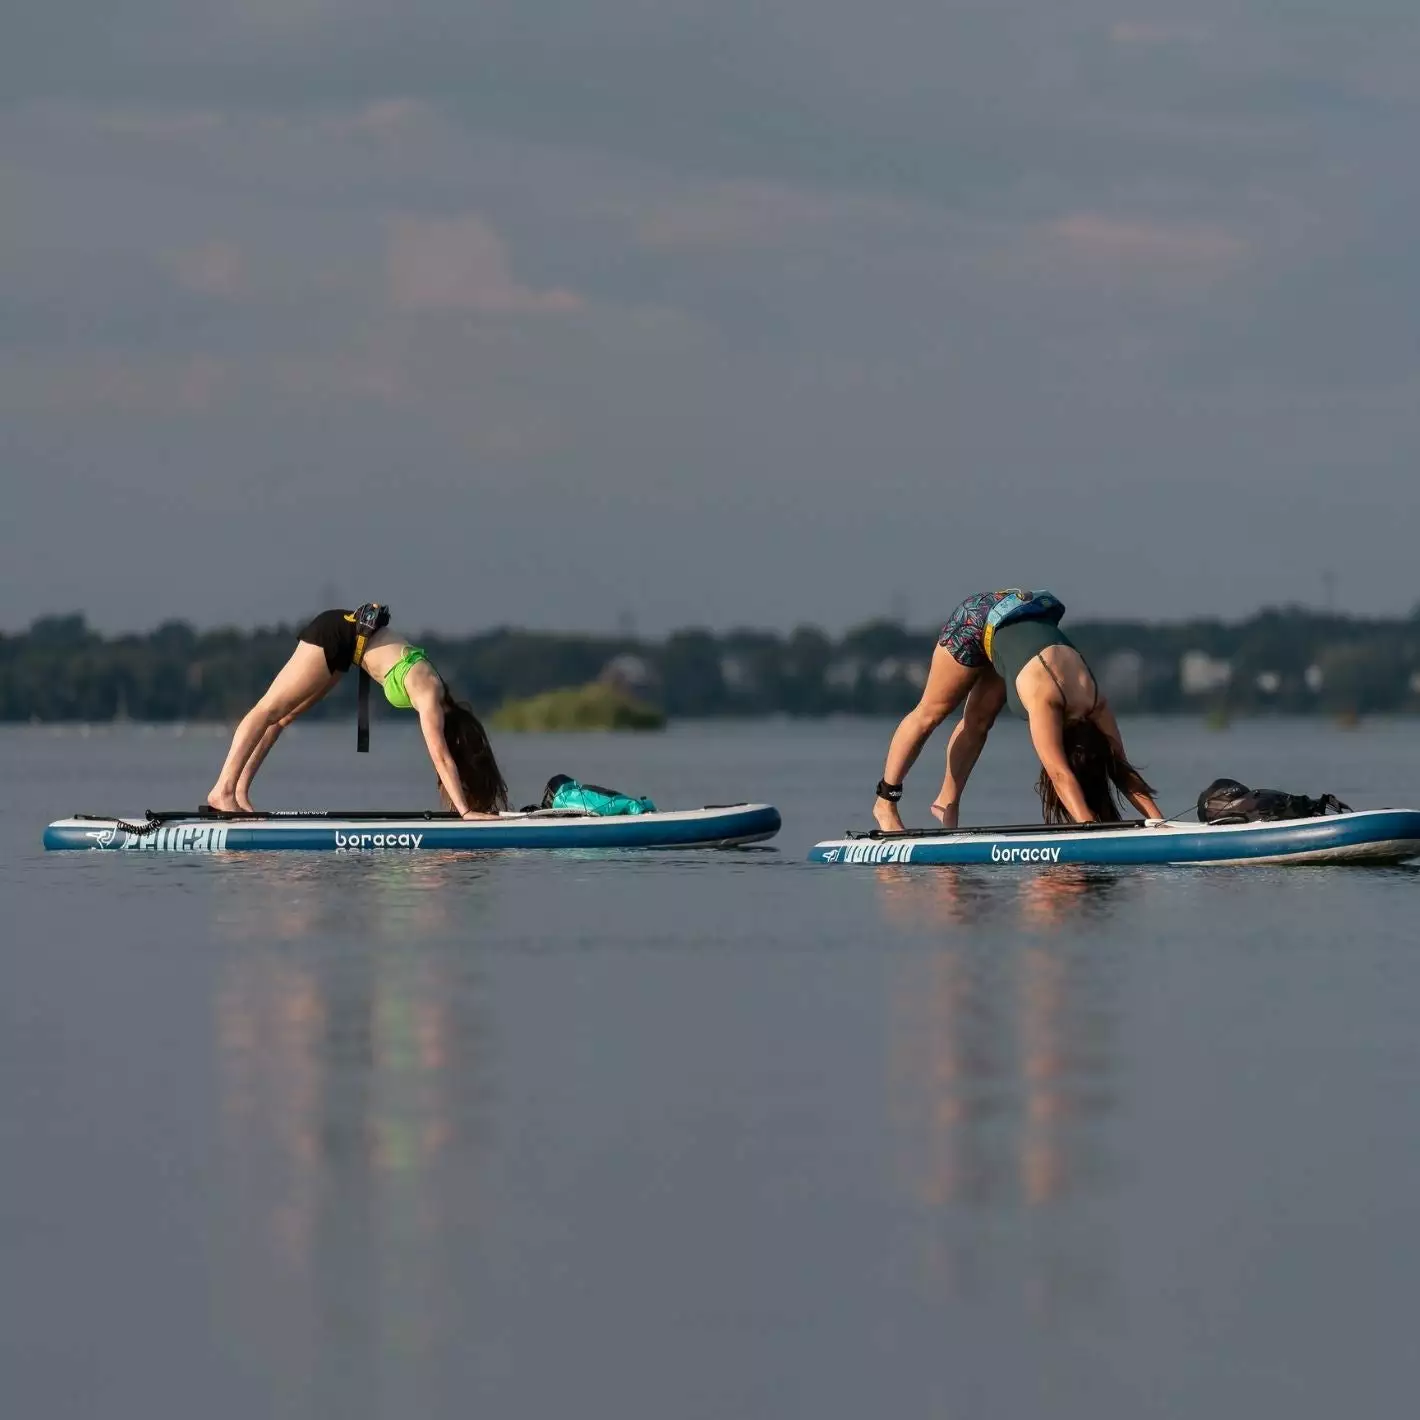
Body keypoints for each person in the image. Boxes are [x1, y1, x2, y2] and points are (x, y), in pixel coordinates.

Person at [873, 589, 1162, 832]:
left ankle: (947, 802)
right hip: (977, 619)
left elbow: (1121, 770)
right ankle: (885, 804)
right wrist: (1088, 828)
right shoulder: (1046, 701)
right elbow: (1060, 774)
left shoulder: (1096, 703)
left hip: (1019, 614)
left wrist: (1158, 823)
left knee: (979, 722)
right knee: (931, 712)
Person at [207, 606, 508, 818]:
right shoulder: (430, 697)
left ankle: (239, 793)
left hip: (349, 649)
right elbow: (441, 757)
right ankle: (223, 790)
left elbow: (445, 757)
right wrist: (466, 812)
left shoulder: (438, 694)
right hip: (334, 634)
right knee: (268, 708)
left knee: (283, 718)